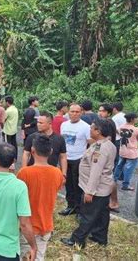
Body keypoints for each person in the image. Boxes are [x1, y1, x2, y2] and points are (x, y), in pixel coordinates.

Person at [61, 119, 116, 247]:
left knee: (87, 215)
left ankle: (77, 240)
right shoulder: (107, 144)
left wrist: (89, 191)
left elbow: (96, 172)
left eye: (92, 128)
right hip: (104, 188)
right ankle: (99, 237)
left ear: (99, 131)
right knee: (102, 215)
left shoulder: (100, 149)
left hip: (96, 189)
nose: (89, 130)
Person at [18, 135, 65, 260]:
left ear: (32, 151)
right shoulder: (57, 173)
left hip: (27, 225)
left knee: (25, 255)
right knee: (39, 255)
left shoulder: (24, 173)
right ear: (50, 151)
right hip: (46, 225)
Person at [59, 104, 92, 216]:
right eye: (72, 111)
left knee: (78, 185)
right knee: (67, 184)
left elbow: (91, 143)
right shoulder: (64, 125)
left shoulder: (86, 127)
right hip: (65, 159)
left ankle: (79, 209)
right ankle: (70, 206)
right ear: (68, 112)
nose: (74, 114)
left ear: (81, 113)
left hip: (79, 159)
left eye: (77, 112)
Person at [22, 111, 67, 177]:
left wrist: (64, 174)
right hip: (33, 173)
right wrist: (24, 170)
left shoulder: (59, 139)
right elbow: (26, 154)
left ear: (50, 124)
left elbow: (63, 157)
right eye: (38, 122)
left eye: (41, 123)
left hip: (51, 174)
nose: (38, 124)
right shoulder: (32, 137)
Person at [114, 113, 138, 191]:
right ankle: (125, 185)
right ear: (132, 119)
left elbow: (118, 132)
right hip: (132, 153)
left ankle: (113, 181)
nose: (137, 119)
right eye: (136, 118)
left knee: (119, 166)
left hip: (122, 151)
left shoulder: (121, 127)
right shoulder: (137, 129)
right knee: (128, 169)